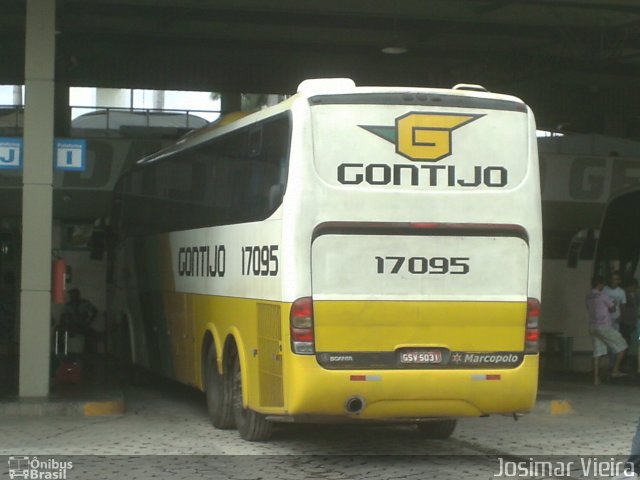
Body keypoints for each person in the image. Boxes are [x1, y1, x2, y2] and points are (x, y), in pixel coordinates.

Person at [585, 275, 628, 385]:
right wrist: (615, 304)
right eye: (603, 284)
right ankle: (615, 370)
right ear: (599, 284)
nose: (604, 286)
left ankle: (596, 379)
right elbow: (613, 309)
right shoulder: (603, 295)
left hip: (593, 327)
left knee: (597, 352)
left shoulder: (589, 295)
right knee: (623, 346)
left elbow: (588, 307)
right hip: (604, 326)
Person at [60, 288, 99, 354]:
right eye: (71, 295)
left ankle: (87, 353)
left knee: (92, 334)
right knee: (59, 331)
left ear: (77, 295)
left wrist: (89, 322)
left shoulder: (85, 303)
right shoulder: (68, 306)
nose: (71, 296)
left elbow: (95, 311)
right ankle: (61, 352)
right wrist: (66, 327)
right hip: (72, 326)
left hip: (83, 325)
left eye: (73, 295)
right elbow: (62, 318)